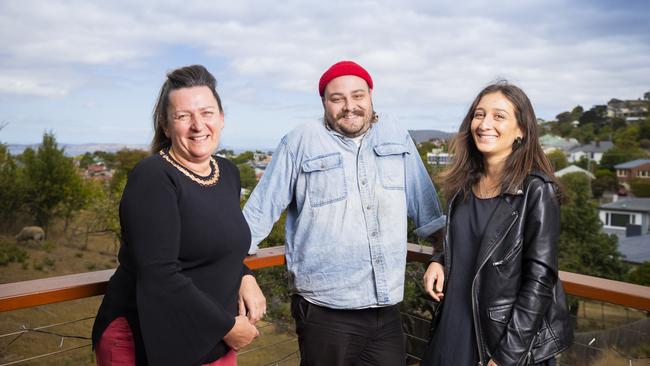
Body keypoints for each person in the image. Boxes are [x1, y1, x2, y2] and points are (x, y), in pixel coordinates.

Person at [242, 60, 445, 366]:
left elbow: (428, 210)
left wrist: (441, 255)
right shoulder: (300, 141)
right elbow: (257, 215)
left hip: (386, 307)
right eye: (337, 99)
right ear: (324, 103)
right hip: (325, 310)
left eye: (358, 96)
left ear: (371, 95)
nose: (350, 107)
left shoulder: (396, 136)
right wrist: (238, 270)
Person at [92, 65, 266, 366]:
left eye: (207, 113)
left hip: (211, 340)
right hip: (148, 343)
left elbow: (217, 242)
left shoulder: (227, 172)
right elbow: (159, 273)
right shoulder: (153, 177)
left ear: (222, 118)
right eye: (183, 116)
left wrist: (245, 276)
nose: (198, 126)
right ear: (166, 125)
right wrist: (226, 326)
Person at [421, 81, 573, 366]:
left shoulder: (537, 191)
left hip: (498, 339)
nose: (484, 123)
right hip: (451, 329)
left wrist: (506, 357)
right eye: (479, 114)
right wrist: (438, 259)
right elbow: (463, 244)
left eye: (499, 116)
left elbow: (539, 282)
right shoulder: (462, 185)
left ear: (521, 130)